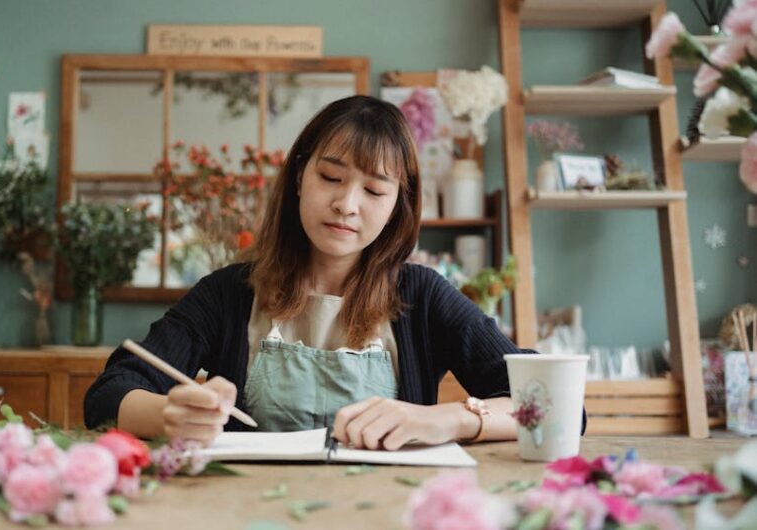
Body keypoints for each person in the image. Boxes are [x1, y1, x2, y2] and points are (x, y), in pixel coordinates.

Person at [85, 95, 538, 450]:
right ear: (301, 176)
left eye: (375, 189)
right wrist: (169, 414)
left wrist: (450, 419)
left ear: (397, 205)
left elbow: (549, 403)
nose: (347, 204)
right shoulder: (228, 293)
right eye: (331, 177)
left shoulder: (423, 296)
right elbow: (109, 393)